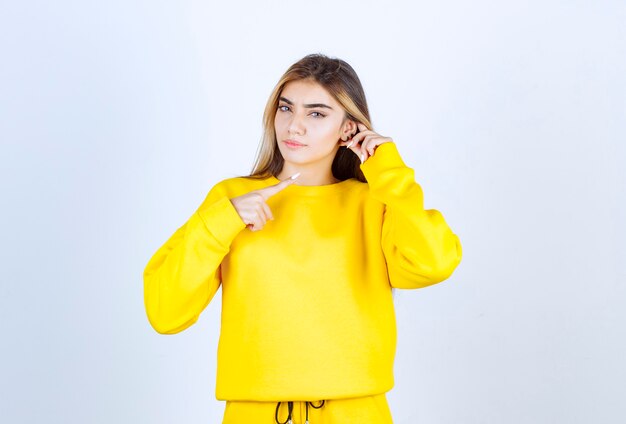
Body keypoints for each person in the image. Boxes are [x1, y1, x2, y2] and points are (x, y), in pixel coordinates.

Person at [143, 53, 463, 424]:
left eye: (316, 113)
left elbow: (433, 264)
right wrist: (223, 220)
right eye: (285, 108)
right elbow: (165, 312)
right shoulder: (231, 199)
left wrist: (387, 169)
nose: (294, 126)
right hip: (253, 413)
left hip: (355, 413)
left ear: (349, 127)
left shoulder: (374, 202)